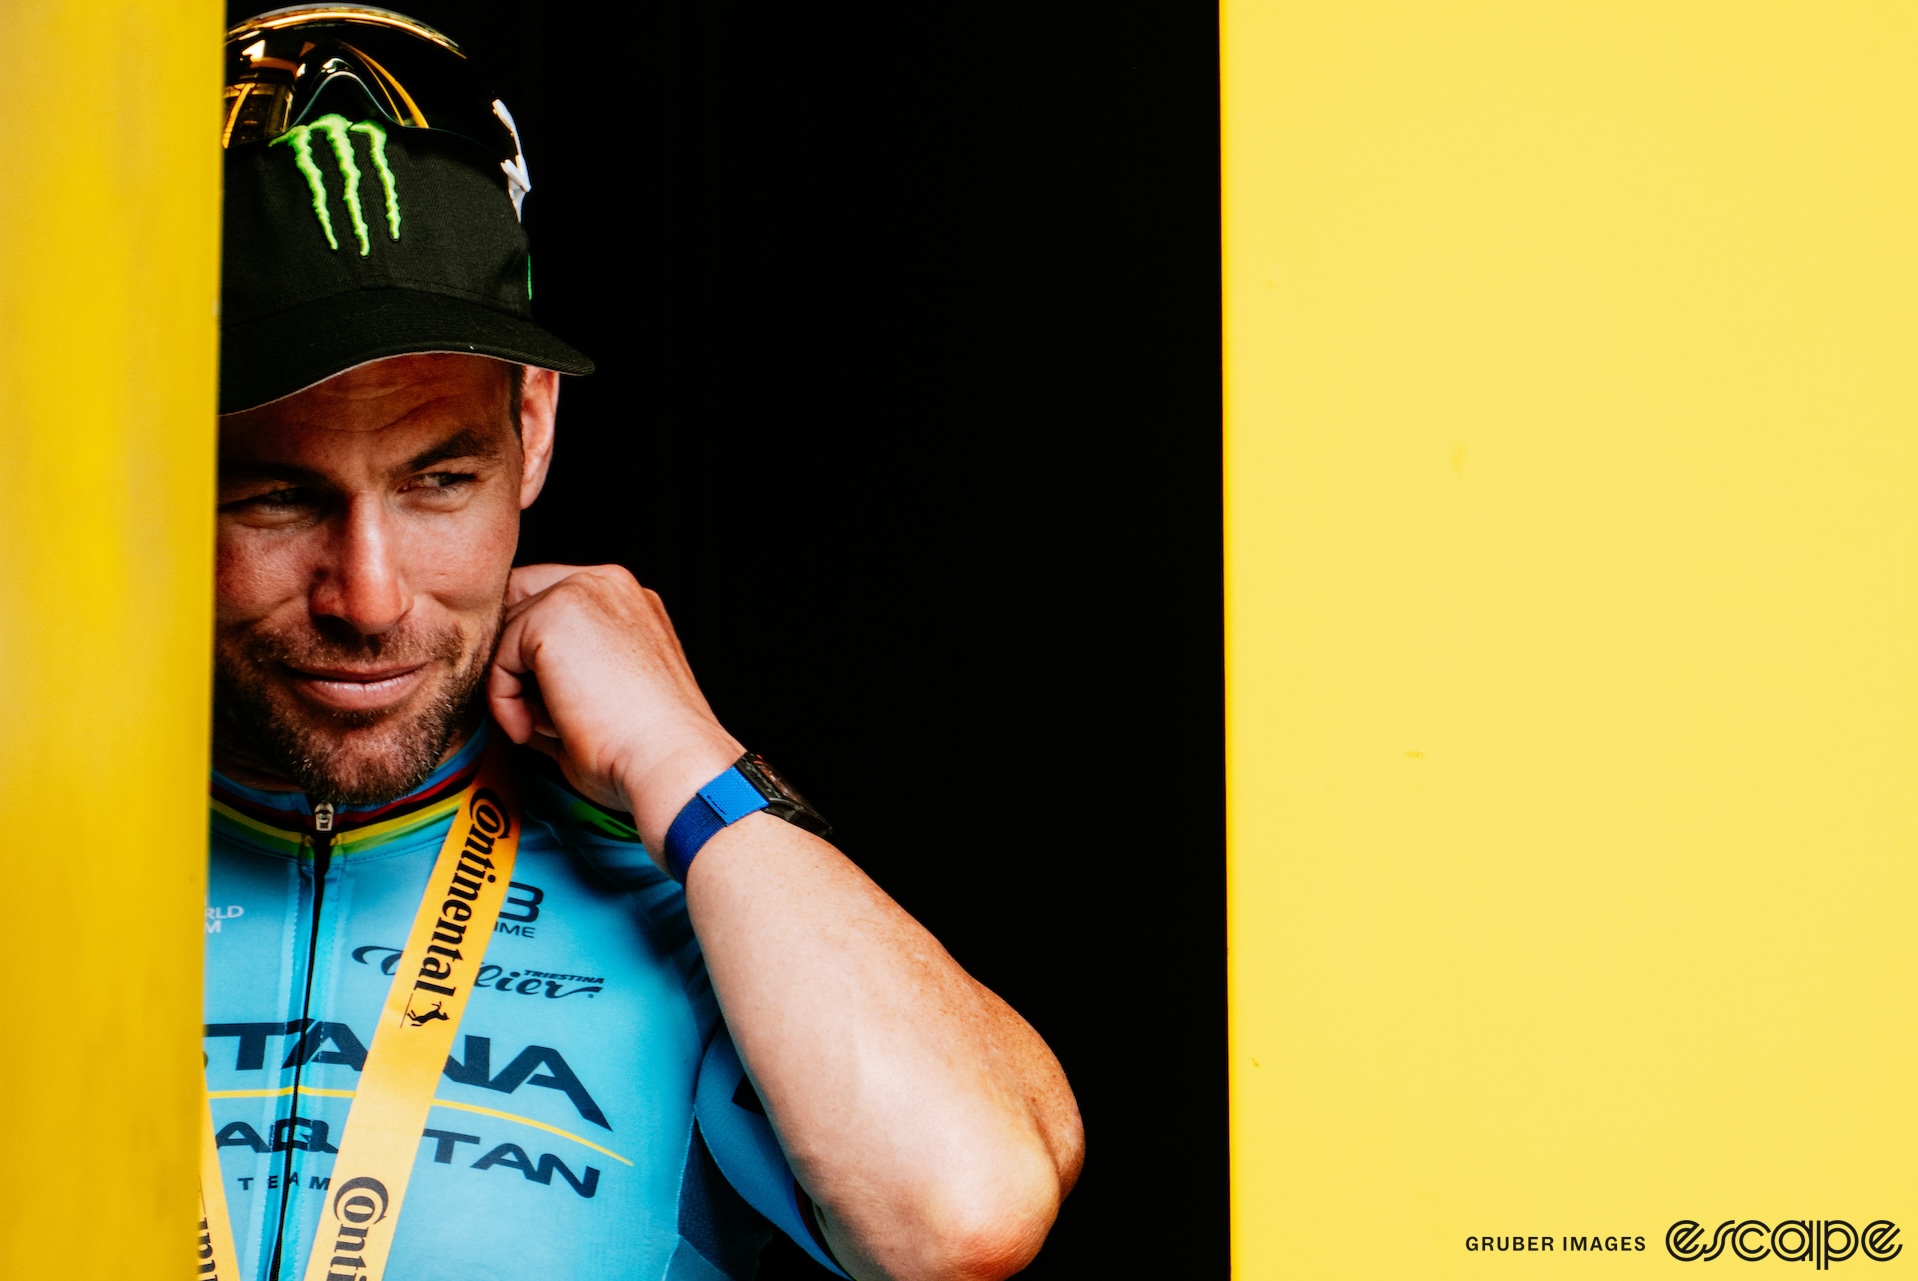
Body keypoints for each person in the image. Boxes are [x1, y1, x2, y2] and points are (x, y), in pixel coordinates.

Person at [202, 9, 1083, 1281]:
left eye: (440, 478)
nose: (369, 595)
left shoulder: (697, 888)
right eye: (275, 494)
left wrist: (683, 757)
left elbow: (965, 1212)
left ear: (536, 430)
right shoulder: (48, 849)